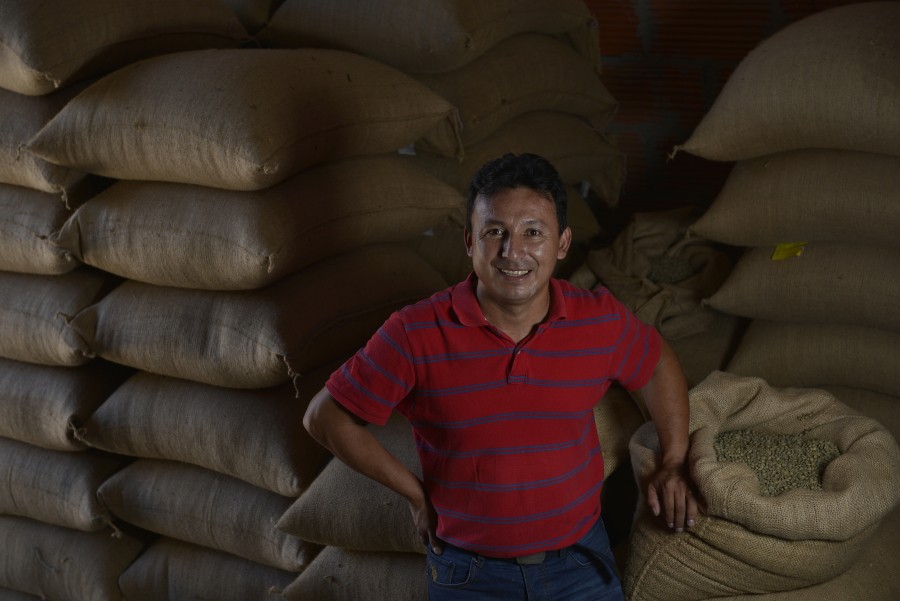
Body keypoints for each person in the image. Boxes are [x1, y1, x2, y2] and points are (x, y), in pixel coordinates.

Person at [303, 153, 698, 600]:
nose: (513, 252)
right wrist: (414, 495)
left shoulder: (596, 320)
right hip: (471, 576)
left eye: (534, 232)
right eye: (495, 233)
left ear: (562, 243)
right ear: (470, 240)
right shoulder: (415, 332)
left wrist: (673, 459)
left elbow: (657, 361)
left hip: (580, 567)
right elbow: (325, 417)